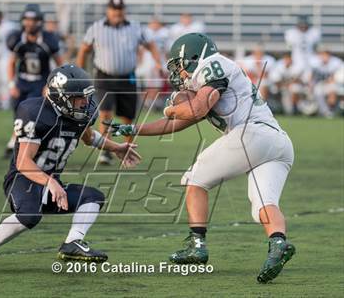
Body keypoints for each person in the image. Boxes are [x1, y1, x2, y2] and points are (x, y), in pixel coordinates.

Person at [109, 33, 296, 283]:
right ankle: (278, 242)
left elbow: (195, 109)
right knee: (263, 203)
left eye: (179, 65)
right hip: (278, 143)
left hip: (251, 134)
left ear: (193, 57)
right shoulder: (213, 77)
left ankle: (197, 244)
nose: (180, 74)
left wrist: (170, 106)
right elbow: (176, 123)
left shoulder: (211, 65)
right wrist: (134, 129)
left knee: (195, 179)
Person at [0, 64, 141, 274]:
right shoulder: (36, 113)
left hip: (50, 183)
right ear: (60, 96)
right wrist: (50, 181)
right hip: (23, 180)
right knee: (30, 216)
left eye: (86, 96)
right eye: (78, 97)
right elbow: (23, 162)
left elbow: (88, 136)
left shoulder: (79, 115)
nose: (85, 102)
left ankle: (72, 243)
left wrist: (116, 147)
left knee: (93, 197)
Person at [76, 0, 162, 165]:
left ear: (124, 10)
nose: (117, 12)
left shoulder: (135, 27)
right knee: (105, 113)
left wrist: (158, 61)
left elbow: (151, 44)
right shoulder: (96, 28)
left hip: (127, 77)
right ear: (108, 10)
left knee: (127, 117)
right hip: (104, 76)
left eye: (120, 9)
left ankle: (128, 148)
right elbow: (84, 49)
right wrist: (79, 72)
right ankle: (106, 151)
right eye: (114, 9)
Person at [4, 4, 64, 158]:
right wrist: (12, 84)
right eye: (27, 20)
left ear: (40, 21)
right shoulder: (18, 39)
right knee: (18, 113)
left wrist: (50, 85)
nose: (30, 23)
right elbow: (11, 63)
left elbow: (61, 66)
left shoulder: (48, 40)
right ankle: (16, 141)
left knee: (32, 115)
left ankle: (19, 144)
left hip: (41, 82)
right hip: (23, 81)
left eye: (33, 20)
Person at [136, 17, 169, 110]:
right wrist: (140, 61)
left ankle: (153, 101)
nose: (154, 25)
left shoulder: (164, 33)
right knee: (147, 82)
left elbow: (165, 50)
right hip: (147, 60)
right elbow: (141, 49)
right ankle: (147, 101)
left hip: (159, 59)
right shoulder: (146, 32)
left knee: (158, 83)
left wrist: (165, 61)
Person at [309, 46, 343, 117]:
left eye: (326, 55)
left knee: (332, 90)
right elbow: (311, 75)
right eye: (323, 55)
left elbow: (339, 75)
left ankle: (331, 110)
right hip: (319, 84)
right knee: (317, 91)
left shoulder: (336, 62)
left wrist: (334, 79)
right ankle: (325, 112)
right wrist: (311, 84)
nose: (325, 57)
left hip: (332, 83)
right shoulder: (314, 62)